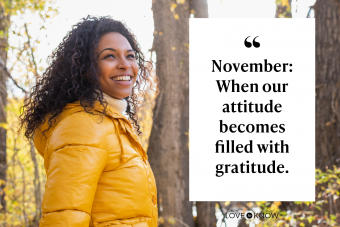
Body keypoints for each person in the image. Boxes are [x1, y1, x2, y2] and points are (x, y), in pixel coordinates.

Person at [19, 15, 158, 227]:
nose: (124, 65)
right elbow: (64, 218)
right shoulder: (83, 127)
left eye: (130, 56)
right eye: (110, 56)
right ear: (85, 67)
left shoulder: (113, 124)